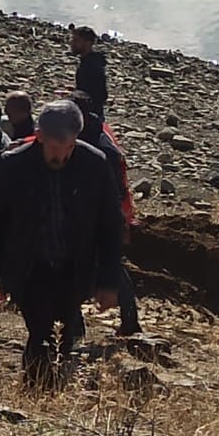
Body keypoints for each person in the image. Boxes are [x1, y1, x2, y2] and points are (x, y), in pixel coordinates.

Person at [0, 100, 123, 387]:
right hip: (29, 266)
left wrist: (108, 282)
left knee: (67, 330)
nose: (61, 154)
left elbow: (110, 225)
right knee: (40, 327)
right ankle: (36, 389)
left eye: (67, 146)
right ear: (40, 136)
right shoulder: (13, 165)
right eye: (54, 146)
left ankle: (53, 383)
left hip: (74, 265)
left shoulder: (94, 165)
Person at [70, 91, 142, 336]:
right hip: (84, 212)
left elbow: (115, 189)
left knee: (108, 265)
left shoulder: (101, 147)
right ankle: (74, 323)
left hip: (103, 215)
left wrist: (118, 222)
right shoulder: (91, 134)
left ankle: (130, 320)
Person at [70, 26, 108, 123]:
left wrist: (79, 96)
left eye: (76, 40)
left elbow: (101, 95)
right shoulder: (86, 61)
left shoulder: (92, 66)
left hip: (90, 115)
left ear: (88, 43)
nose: (72, 43)